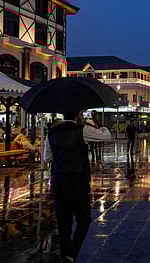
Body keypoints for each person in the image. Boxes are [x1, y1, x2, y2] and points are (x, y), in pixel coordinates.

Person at [43, 111, 111, 263]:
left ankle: (65, 254)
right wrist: (97, 123)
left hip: (59, 181)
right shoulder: (83, 130)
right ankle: (71, 255)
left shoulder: (52, 132)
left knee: (63, 223)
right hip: (77, 182)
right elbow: (106, 135)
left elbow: (46, 157)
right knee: (84, 219)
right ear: (78, 114)